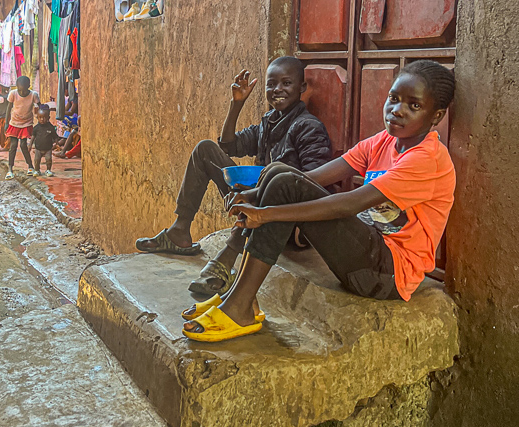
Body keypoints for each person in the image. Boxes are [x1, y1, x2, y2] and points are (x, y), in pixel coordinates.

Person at [183, 60, 456, 342]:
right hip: (363, 252)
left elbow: (348, 204)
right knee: (278, 172)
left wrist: (266, 214)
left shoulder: (427, 159)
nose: (397, 110)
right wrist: (253, 195)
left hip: (387, 274)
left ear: (436, 116)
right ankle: (241, 298)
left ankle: (239, 306)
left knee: (284, 182)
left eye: (414, 105)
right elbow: (310, 178)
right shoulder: (383, 141)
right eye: (394, 98)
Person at [135, 57, 332, 298]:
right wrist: (236, 103)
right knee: (205, 150)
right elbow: (229, 145)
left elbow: (314, 183)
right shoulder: (269, 123)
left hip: (290, 218)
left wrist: (262, 191)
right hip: (257, 201)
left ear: (302, 87)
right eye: (271, 84)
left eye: (286, 83)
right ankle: (179, 231)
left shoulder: (308, 127)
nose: (277, 90)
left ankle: (226, 259)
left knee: (271, 182)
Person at [4, 75, 39, 179]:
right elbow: (8, 108)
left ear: (29, 86)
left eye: (24, 90)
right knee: (13, 146)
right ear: (17, 87)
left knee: (24, 145)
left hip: (26, 123)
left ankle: (30, 166)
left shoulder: (33, 95)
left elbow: (40, 106)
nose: (22, 92)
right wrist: (6, 123)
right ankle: (10, 169)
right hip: (14, 122)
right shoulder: (13, 94)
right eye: (20, 90)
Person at [31, 104, 60, 177]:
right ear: (37, 118)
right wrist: (30, 145)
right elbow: (33, 136)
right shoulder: (36, 128)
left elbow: (55, 136)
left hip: (48, 148)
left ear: (48, 118)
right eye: (40, 117)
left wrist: (57, 143)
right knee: (37, 160)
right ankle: (37, 170)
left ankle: (48, 170)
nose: (42, 119)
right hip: (38, 148)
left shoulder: (50, 127)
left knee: (49, 159)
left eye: (44, 117)